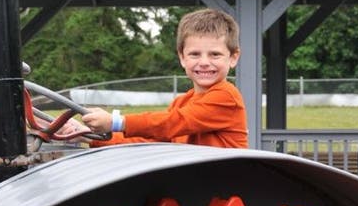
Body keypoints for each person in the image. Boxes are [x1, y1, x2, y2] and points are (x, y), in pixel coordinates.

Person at [74, 8, 248, 148]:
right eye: (195, 54)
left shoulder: (226, 97)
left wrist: (116, 122)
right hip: (195, 185)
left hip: (226, 187)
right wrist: (88, 136)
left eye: (215, 54)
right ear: (182, 57)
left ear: (233, 57)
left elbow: (173, 123)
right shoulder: (181, 103)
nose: (204, 62)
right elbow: (152, 140)